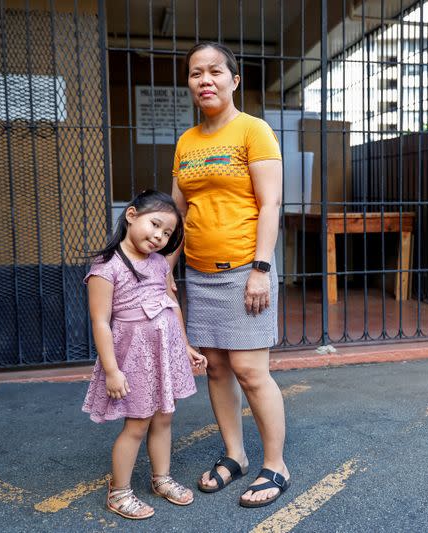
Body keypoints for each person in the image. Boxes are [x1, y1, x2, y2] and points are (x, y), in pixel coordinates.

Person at [169, 41, 290, 508]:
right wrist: (167, 270)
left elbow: (270, 203)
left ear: (234, 80)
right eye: (196, 73)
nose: (205, 80)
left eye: (215, 71)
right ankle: (236, 455)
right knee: (216, 368)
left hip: (244, 269)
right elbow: (180, 212)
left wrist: (260, 268)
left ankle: (276, 464)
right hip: (199, 273)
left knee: (250, 370)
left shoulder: (253, 131)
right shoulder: (186, 142)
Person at [82, 189, 208, 520]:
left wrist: (186, 345)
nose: (159, 236)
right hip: (133, 357)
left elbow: (171, 305)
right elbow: (100, 322)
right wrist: (112, 370)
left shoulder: (158, 264)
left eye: (167, 233)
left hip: (164, 353)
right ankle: (119, 492)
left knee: (164, 416)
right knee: (137, 424)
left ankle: (161, 478)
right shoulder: (106, 267)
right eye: (155, 225)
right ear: (132, 215)